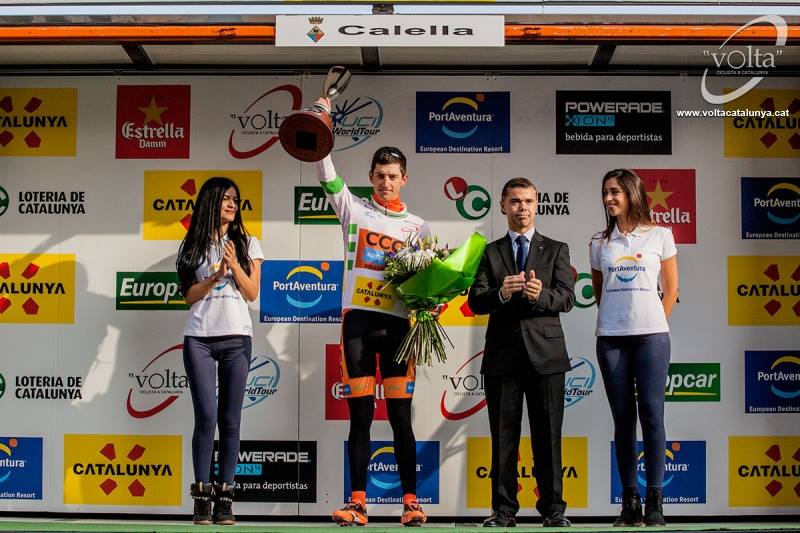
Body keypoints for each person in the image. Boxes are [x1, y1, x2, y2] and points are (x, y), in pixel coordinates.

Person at [316, 143, 430, 527]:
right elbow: (327, 177)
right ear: (370, 177)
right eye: (380, 176)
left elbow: (427, 282)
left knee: (400, 417)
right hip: (358, 326)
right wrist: (320, 135)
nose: (386, 182)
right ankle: (358, 503)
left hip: (398, 327)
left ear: (404, 179)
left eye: (392, 176)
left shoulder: (418, 226)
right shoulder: (354, 210)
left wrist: (431, 303)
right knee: (360, 416)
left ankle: (411, 504)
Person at [467, 177, 575, 528]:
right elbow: (475, 300)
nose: (522, 208)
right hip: (502, 358)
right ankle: (503, 510)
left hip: (547, 357)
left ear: (537, 205)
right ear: (503, 205)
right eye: (515, 201)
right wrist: (501, 293)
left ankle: (554, 510)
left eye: (528, 201)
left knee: (549, 437)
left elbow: (567, 298)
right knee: (503, 439)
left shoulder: (556, 248)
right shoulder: (490, 251)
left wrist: (539, 296)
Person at [589, 169, 678, 527]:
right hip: (611, 338)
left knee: (652, 415)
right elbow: (599, 292)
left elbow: (671, 289)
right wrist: (619, 320)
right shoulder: (599, 242)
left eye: (615, 192)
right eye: (605, 192)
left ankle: (655, 502)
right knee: (623, 419)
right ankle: (629, 503)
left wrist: (651, 321)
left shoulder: (660, 235)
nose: (608, 199)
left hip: (652, 337)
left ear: (632, 194)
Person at [176, 177, 263, 526]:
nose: (231, 205)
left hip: (237, 338)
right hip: (199, 337)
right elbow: (188, 296)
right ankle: (201, 499)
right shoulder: (192, 244)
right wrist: (215, 276)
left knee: (230, 420)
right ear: (210, 202)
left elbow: (252, 293)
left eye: (235, 200)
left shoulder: (248, 243)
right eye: (226, 198)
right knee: (206, 418)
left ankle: (225, 500)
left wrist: (234, 266)